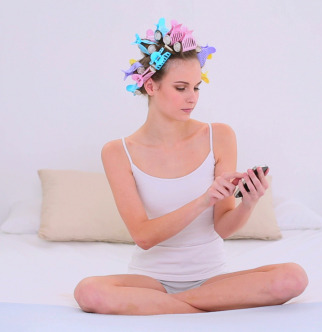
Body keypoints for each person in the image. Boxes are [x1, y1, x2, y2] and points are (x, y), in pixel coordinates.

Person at [74, 18, 308, 315]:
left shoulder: (219, 136)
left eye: (197, 87)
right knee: (88, 292)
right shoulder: (118, 152)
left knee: (293, 277)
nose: (192, 98)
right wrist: (203, 200)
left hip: (212, 278)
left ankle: (170, 307)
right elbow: (143, 237)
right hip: (149, 281)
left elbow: (222, 227)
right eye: (181, 87)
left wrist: (248, 203)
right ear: (151, 86)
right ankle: (203, 306)